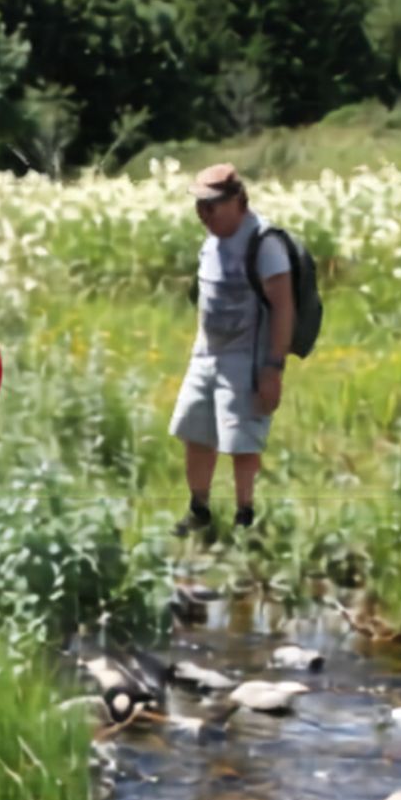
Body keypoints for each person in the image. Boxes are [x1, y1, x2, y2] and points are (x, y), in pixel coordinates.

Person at [167, 164, 294, 538]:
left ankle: (245, 517)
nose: (203, 214)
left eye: (211, 206)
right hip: (205, 355)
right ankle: (199, 511)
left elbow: (284, 307)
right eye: (199, 206)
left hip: (246, 357)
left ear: (237, 200)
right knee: (195, 431)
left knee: (241, 442)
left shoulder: (265, 242)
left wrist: (273, 369)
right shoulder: (211, 241)